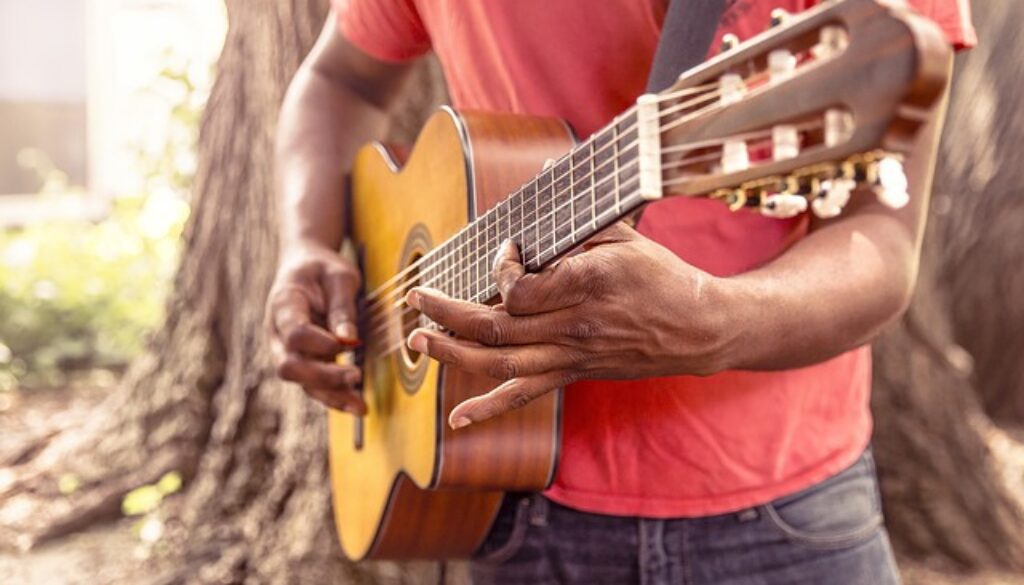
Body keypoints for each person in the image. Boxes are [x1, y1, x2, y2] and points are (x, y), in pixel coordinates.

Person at [266, 1, 975, 583]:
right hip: (504, 494)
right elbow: (342, 81)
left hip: (786, 512)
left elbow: (882, 241)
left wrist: (717, 322)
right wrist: (306, 243)